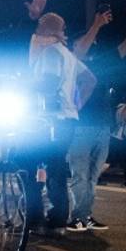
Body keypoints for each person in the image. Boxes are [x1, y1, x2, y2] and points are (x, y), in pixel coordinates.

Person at [66, 0, 126, 231]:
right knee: (80, 174)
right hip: (80, 125)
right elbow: (80, 50)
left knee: (93, 175)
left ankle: (85, 215)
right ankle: (75, 217)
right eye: (86, 38)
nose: (91, 42)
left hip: (102, 125)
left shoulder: (101, 60)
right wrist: (96, 24)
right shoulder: (72, 60)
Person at [26, 13, 88, 233]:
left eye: (40, 25)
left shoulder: (51, 52)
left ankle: (34, 218)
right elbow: (90, 79)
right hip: (67, 119)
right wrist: (76, 105)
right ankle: (58, 220)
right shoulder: (67, 53)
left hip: (48, 119)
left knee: (26, 164)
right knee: (56, 168)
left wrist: (24, 88)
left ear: (46, 28)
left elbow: (49, 82)